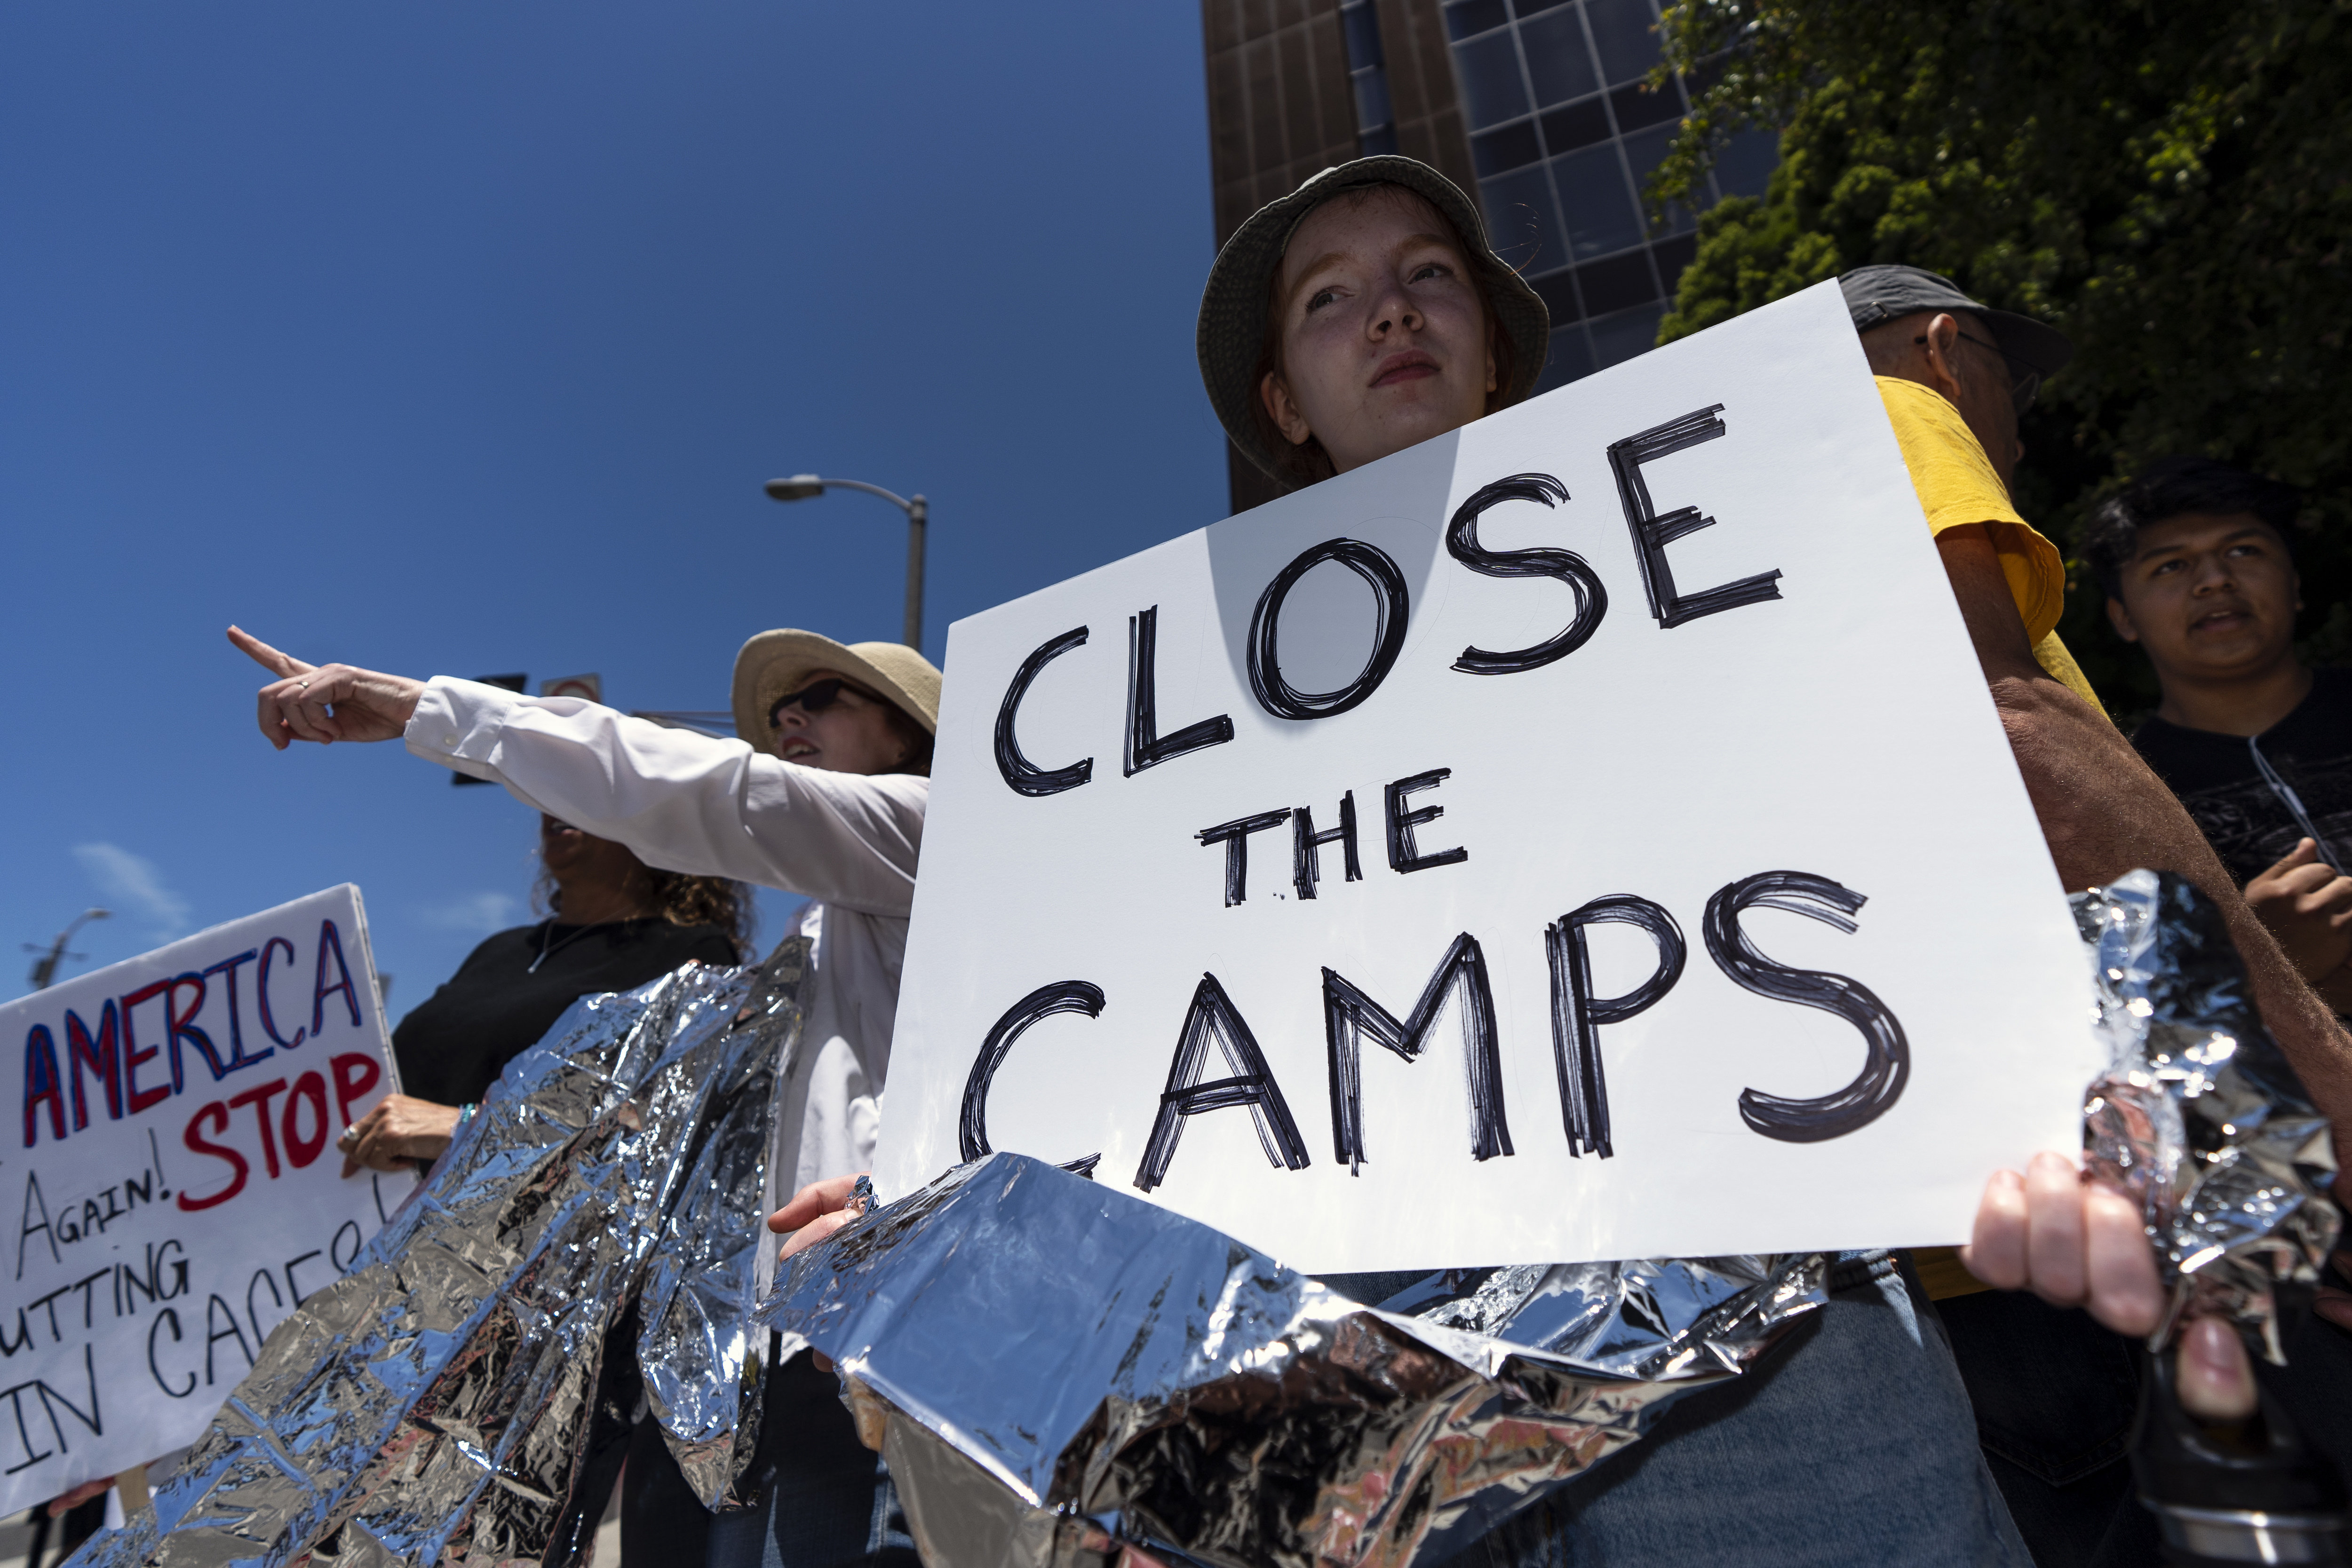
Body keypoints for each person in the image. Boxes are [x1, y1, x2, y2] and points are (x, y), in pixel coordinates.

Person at [770, 165, 2319, 1566]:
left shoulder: (1735, 510)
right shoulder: (1168, 711)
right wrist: (944, 1206)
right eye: (1330, 298)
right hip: (1365, 1386)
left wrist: (2120, 1080)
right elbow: (1125, 1040)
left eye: (1428, 273)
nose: (1387, 307)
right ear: (1285, 398)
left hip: (1770, 1359)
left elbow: (1978, 780)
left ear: (1495, 345)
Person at [224, 622, 936, 1568]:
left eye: (825, 696)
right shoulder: (806, 944)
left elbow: (719, 791)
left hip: (857, 1351)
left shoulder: (927, 830)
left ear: (908, 739)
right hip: (744, 1364)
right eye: (778, 709)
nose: (786, 717)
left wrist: (422, 709)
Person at [337, 811, 748, 1175]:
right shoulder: (500, 949)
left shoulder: (693, 954)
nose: (559, 797)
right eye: (555, 782)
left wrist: (463, 1128)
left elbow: (671, 1124)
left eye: (593, 785)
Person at [2085, 458, 2352, 1013]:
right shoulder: (2115, 801)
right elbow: (2125, 1008)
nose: (2214, 580)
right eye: (2170, 566)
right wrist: (2258, 953)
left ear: (2295, 584)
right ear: (2122, 617)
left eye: (2242, 551)